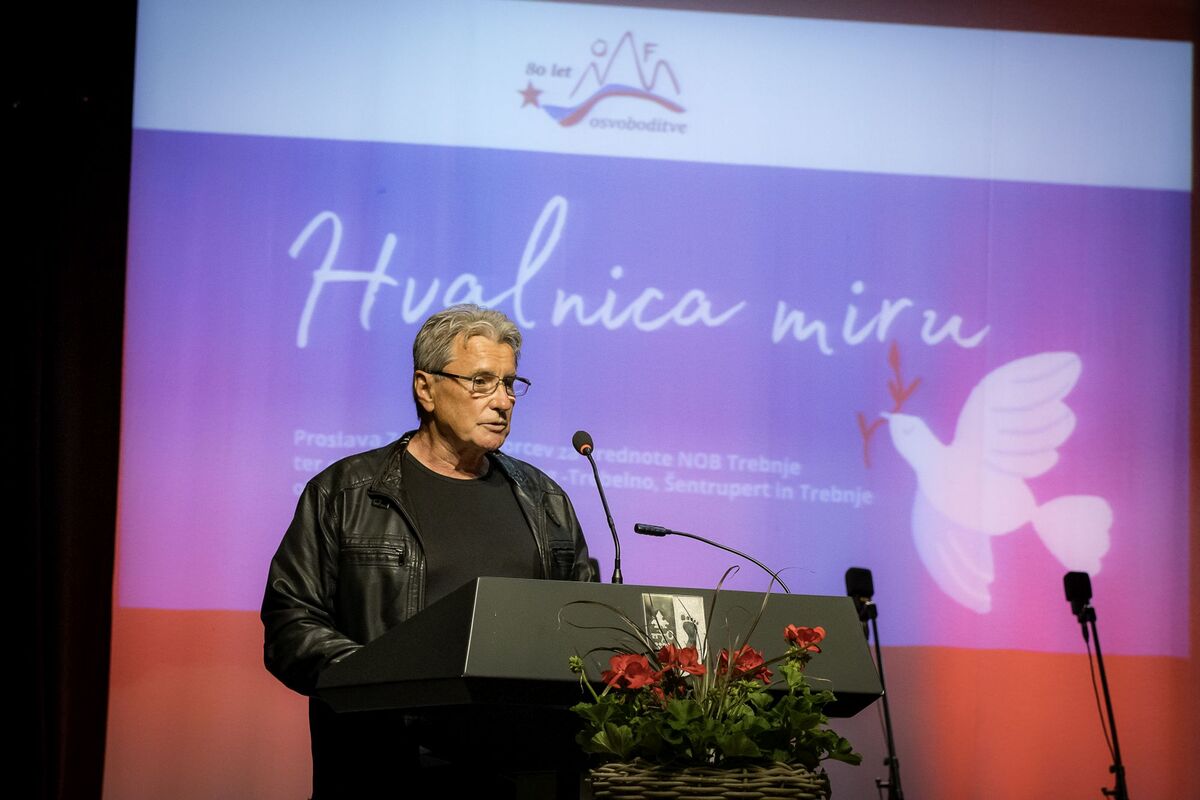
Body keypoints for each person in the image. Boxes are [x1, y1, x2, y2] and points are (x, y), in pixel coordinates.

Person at [262, 304, 596, 797]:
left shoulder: (545, 500)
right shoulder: (344, 493)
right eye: (481, 381)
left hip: (525, 771)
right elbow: (292, 626)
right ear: (426, 388)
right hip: (386, 765)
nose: (502, 401)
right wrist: (390, 680)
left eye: (509, 383)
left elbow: (584, 625)